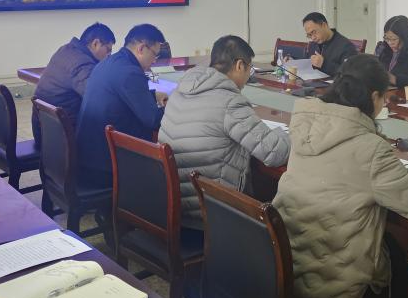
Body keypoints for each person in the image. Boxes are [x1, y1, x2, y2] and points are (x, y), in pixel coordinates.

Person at [273, 54, 408, 298]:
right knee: (405, 259)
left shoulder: (305, 126)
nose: (384, 104)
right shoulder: (371, 149)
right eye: (384, 97)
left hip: (284, 271)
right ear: (373, 97)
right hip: (334, 288)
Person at [159, 35, 289, 228]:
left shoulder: (180, 89)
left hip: (175, 201)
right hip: (211, 211)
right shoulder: (229, 102)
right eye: (250, 69)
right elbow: (275, 153)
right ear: (239, 65)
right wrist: (289, 134)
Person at [76, 23, 167, 187]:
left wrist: (153, 95)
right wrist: (176, 106)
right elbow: (153, 120)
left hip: (88, 154)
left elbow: (122, 95)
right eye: (155, 55)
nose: (154, 61)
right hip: (108, 164)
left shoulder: (109, 62)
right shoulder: (130, 72)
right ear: (141, 48)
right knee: (169, 167)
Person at [31, 22, 115, 148]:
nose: (109, 56)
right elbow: (97, 98)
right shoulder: (82, 64)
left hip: (45, 131)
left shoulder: (66, 50)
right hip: (62, 140)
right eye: (108, 50)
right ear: (95, 43)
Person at [301, 11, 358, 77]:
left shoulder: (346, 47)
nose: (313, 38)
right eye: (309, 35)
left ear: (324, 25)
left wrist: (324, 64)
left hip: (335, 83)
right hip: (313, 82)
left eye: (314, 32)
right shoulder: (313, 44)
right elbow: (306, 64)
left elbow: (349, 74)